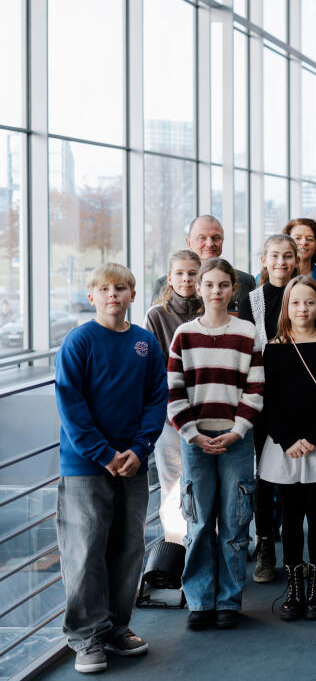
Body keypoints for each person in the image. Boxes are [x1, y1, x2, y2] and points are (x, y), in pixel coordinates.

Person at [55, 263, 167, 674]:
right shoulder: (79, 341)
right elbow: (71, 406)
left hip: (134, 464)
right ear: (92, 297)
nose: (113, 295)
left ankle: (118, 628)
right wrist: (104, 454)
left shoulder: (144, 343)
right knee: (85, 553)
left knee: (127, 548)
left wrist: (139, 449)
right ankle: (87, 638)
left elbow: (157, 399)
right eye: (104, 289)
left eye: (121, 288)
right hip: (87, 465)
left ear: (133, 295)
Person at [167, 258, 264, 631]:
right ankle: (200, 600)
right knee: (200, 521)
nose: (216, 291)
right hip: (195, 441)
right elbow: (174, 391)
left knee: (236, 520)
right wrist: (193, 434)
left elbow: (255, 388)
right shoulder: (184, 336)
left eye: (223, 285)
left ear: (232, 289)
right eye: (209, 284)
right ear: (199, 288)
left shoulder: (246, 334)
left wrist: (238, 430)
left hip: (236, 439)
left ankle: (228, 599)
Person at [259, 277, 316, 621]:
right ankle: (295, 590)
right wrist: (287, 440)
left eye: (309, 302)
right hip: (285, 447)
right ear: (286, 307)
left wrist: (314, 438)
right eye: (295, 303)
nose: (302, 309)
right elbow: (268, 400)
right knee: (291, 519)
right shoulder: (274, 347)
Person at [238, 233, 299, 584]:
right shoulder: (251, 300)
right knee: (263, 477)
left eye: (287, 256)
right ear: (263, 259)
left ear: (296, 259)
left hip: (299, 397)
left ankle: (295, 549)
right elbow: (251, 350)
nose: (281, 262)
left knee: (295, 473)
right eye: (274, 255)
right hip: (263, 398)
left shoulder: (305, 293)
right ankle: (265, 545)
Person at [144, 249, 203, 547]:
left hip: (206, 412)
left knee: (204, 485)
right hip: (170, 414)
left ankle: (206, 547)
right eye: (179, 273)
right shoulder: (157, 315)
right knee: (172, 487)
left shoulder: (210, 309)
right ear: (169, 278)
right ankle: (177, 549)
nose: (186, 279)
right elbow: (152, 367)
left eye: (192, 273)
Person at [151, 215, 256, 310]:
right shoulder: (163, 285)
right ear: (189, 242)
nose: (210, 244)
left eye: (216, 238)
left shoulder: (245, 282)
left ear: (222, 240)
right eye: (202, 238)